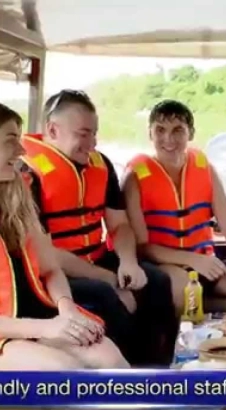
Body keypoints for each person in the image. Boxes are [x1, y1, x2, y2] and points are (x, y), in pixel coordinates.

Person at [20, 90, 178, 365]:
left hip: (96, 256)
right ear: (52, 130)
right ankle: (131, 377)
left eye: (94, 133)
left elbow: (119, 225)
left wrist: (128, 263)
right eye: (83, 134)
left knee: (157, 280)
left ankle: (164, 361)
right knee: (106, 295)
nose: (92, 143)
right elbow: (47, 256)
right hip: (54, 274)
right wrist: (108, 278)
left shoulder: (101, 164)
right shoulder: (27, 174)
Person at [0, 103, 128, 410]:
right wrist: (46, 329)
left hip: (36, 322)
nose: (22, 148)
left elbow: (51, 270)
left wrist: (66, 311)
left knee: (116, 367)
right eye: (10, 140)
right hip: (6, 338)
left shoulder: (16, 198)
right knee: (72, 385)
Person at [122, 100, 226, 314]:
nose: (168, 139)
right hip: (162, 264)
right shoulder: (134, 177)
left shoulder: (205, 170)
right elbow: (142, 247)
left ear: (190, 133)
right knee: (187, 291)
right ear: (150, 134)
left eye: (178, 130)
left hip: (205, 259)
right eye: (160, 130)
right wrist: (192, 260)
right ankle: (208, 324)